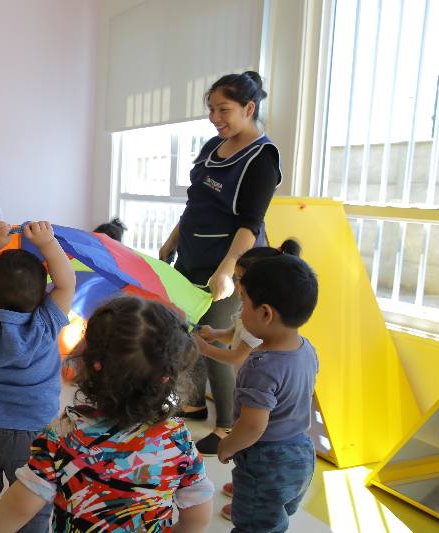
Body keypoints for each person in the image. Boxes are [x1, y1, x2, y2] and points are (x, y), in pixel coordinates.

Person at [0, 297, 214, 533]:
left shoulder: (64, 437)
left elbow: (22, 504)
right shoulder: (176, 440)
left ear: (92, 365)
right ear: (168, 377)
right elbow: (198, 512)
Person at [158, 71, 281, 454]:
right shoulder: (214, 146)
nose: (215, 117)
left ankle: (228, 424)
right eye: (211, 109)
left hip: (229, 263)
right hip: (192, 254)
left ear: (249, 107)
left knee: (217, 343)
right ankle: (193, 403)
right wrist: (172, 240)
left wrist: (227, 271)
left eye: (223, 110)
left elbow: (250, 224)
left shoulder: (262, 157)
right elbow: (196, 204)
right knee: (186, 330)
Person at [0, 221, 76, 533]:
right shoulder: (47, 324)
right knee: (31, 508)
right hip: (35, 434)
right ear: (43, 296)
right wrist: (48, 244)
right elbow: (67, 284)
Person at [217, 254, 319, 532]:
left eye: (243, 302)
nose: (240, 311)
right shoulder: (306, 348)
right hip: (302, 453)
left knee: (254, 525)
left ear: (265, 313)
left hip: (266, 460)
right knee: (274, 515)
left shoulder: (260, 365)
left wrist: (227, 445)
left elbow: (252, 426)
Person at [193, 239, 301, 368]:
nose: (237, 284)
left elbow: (238, 357)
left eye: (240, 279)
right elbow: (234, 334)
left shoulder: (258, 320)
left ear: (262, 285)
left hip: (249, 380)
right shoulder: (248, 309)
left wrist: (204, 348)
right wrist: (214, 333)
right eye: (236, 278)